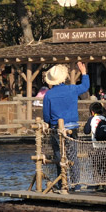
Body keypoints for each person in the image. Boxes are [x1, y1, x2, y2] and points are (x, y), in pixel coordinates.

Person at [42, 62, 89, 190]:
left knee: (58, 155)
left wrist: (49, 123)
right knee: (73, 155)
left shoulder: (49, 95)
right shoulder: (72, 89)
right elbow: (85, 86)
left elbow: (46, 115)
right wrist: (84, 73)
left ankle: (62, 183)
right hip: (72, 127)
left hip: (56, 128)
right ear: (63, 78)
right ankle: (76, 183)